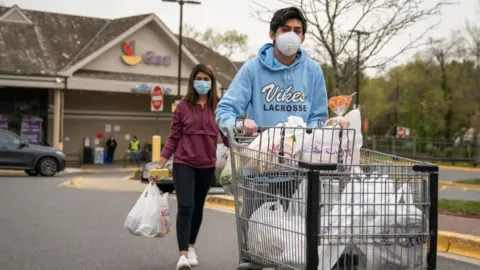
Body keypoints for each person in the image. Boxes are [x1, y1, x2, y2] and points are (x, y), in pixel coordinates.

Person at [215, 6, 329, 218]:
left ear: (303, 37)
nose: (292, 35)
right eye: (286, 29)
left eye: (297, 30)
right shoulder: (252, 69)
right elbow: (225, 109)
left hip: (299, 172)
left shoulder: (313, 71)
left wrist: (312, 137)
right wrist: (239, 125)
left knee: (298, 240)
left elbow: (319, 116)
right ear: (273, 34)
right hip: (259, 171)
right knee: (256, 238)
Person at [152, 64, 228, 270]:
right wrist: (159, 164)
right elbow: (173, 137)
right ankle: (183, 255)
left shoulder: (219, 108)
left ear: (212, 83)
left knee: (197, 207)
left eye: (206, 79)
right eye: (199, 78)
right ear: (192, 81)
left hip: (206, 165)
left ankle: (191, 246)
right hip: (184, 163)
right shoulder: (183, 107)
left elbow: (227, 137)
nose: (202, 83)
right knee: (186, 206)